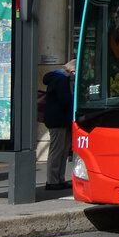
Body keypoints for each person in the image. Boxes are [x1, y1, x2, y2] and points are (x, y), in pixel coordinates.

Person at [43, 61, 74, 191]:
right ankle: (52, 180)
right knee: (57, 151)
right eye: (74, 72)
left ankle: (59, 179)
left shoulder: (59, 78)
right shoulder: (61, 80)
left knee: (62, 151)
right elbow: (65, 100)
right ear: (70, 70)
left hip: (60, 120)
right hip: (58, 121)